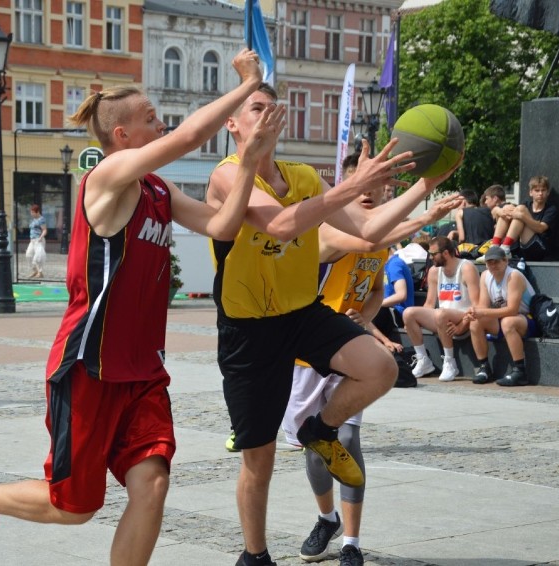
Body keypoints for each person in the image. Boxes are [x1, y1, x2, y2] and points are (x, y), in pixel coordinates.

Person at [0, 49, 286, 566]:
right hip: (87, 368)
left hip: (141, 373)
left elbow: (222, 225)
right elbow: (187, 138)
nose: (161, 123)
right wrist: (247, 85)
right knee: (74, 508)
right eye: (150, 119)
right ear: (122, 136)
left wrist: (249, 160)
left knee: (153, 485)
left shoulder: (158, 189)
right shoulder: (106, 181)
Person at [206, 81, 460, 566]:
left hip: (302, 313)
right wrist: (353, 186)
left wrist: (427, 185)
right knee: (257, 460)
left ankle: (320, 431)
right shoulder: (226, 176)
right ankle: (254, 555)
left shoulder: (302, 174)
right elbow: (281, 225)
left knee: (381, 368)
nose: (266, 115)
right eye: (255, 108)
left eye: (271, 108)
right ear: (232, 124)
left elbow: (367, 230)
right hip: (249, 329)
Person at [282, 154, 462, 566]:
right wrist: (427, 210)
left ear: (386, 190)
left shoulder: (382, 240)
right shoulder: (328, 228)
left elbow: (376, 287)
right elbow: (366, 240)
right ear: (345, 187)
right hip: (308, 352)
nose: (367, 192)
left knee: (346, 439)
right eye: (360, 184)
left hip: (350, 350)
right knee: (313, 446)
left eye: (376, 187)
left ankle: (352, 542)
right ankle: (326, 518)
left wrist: (366, 315)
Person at [402, 236, 481, 382]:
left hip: (463, 316)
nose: (430, 257)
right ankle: (423, 360)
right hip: (442, 318)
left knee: (441, 313)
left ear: (445, 253)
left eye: (433, 254)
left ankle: (450, 362)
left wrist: (462, 325)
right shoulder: (433, 271)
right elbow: (429, 303)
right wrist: (414, 323)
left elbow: (476, 305)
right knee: (409, 313)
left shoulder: (467, 268)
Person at [464, 246, 537, 387]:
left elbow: (512, 310)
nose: (492, 265)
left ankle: (520, 371)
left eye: (496, 262)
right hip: (504, 318)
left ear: (505, 261)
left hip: (528, 319)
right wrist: (472, 312)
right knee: (475, 322)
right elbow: (483, 306)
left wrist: (482, 312)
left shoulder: (513, 276)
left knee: (508, 322)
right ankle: (484, 368)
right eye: (489, 262)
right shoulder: (485, 275)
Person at [491, 175, 557, 261]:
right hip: (522, 247)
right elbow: (494, 211)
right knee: (508, 208)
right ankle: (494, 248)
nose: (540, 193)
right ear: (530, 192)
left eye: (543, 190)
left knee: (520, 210)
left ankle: (505, 247)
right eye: (537, 190)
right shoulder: (526, 205)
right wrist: (499, 211)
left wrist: (522, 216)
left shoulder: (551, 209)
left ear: (547, 192)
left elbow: (541, 228)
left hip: (540, 249)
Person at [25, 204, 47, 278]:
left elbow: (44, 230)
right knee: (28, 255)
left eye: (33, 212)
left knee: (38, 257)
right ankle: (35, 270)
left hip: (38, 240)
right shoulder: (34, 220)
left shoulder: (41, 219)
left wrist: (41, 237)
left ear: (37, 212)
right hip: (32, 240)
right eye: (31, 212)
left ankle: (40, 272)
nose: (31, 214)